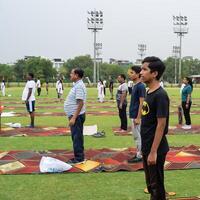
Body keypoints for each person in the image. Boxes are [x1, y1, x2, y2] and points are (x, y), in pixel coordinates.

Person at [140, 56, 169, 200]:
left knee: (157, 186)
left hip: (155, 148)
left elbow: (161, 124)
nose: (141, 72)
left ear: (155, 73)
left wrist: (153, 152)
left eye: (145, 69)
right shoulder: (148, 91)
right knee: (151, 185)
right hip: (147, 146)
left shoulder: (160, 95)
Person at [64, 68, 86, 164]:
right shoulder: (77, 85)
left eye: (72, 73)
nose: (70, 75)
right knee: (76, 136)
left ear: (76, 75)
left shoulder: (79, 86)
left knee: (77, 137)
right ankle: (79, 156)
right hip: (75, 115)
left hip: (76, 116)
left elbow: (80, 102)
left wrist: (74, 117)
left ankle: (79, 158)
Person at [128, 66, 146, 163]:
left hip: (136, 115)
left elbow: (142, 102)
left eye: (132, 73)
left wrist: (138, 117)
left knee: (138, 136)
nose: (130, 75)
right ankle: (139, 153)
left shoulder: (140, 86)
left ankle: (140, 155)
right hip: (133, 114)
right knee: (136, 136)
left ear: (138, 74)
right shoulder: (135, 85)